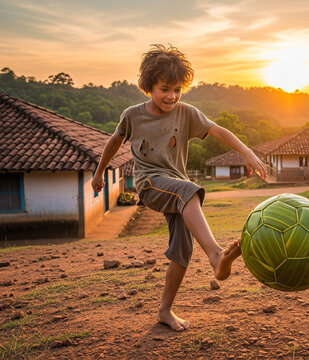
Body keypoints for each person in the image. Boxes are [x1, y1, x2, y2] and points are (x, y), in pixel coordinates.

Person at [91, 44, 267, 332]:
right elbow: (114, 142)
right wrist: (100, 172)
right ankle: (216, 255)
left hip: (177, 188)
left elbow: (217, 130)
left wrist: (247, 151)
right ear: (148, 86)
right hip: (149, 184)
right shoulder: (133, 115)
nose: (171, 96)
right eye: (164, 89)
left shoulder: (186, 113)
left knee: (182, 250)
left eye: (177, 89)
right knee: (188, 190)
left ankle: (165, 311)